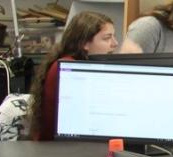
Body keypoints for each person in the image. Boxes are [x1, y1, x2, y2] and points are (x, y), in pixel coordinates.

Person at [26, 11, 118, 141]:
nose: (115, 43)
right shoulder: (70, 69)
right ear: (84, 43)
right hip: (56, 150)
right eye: (107, 38)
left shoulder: (70, 63)